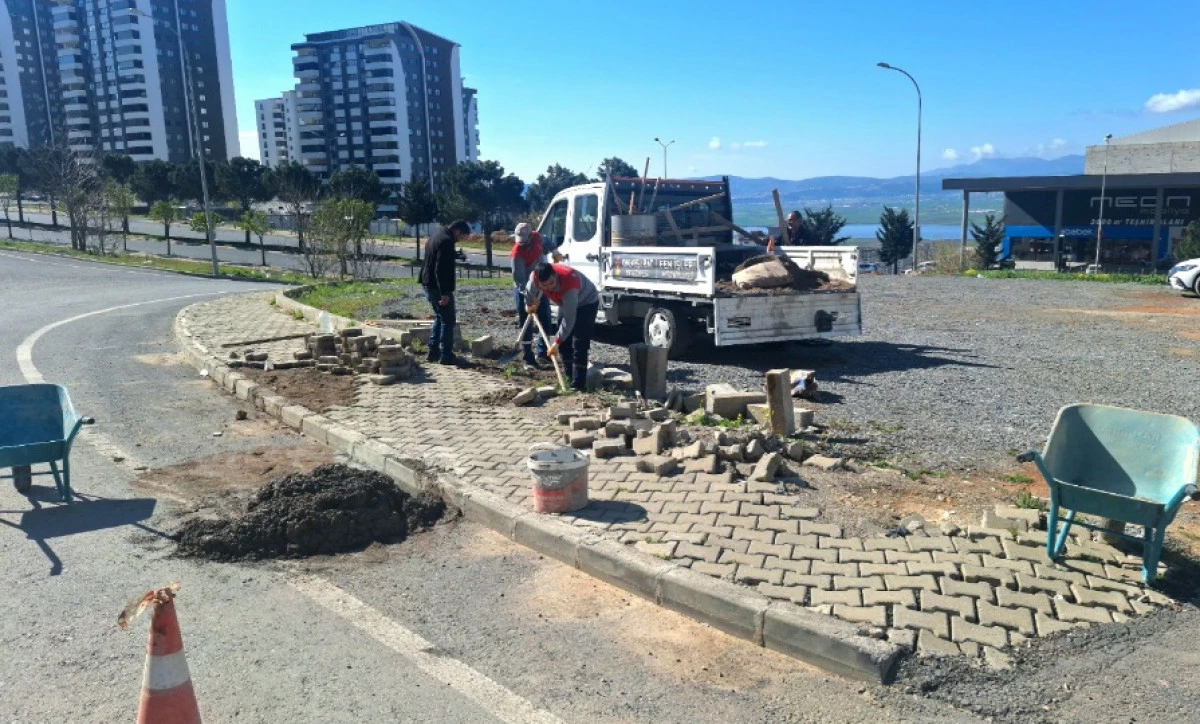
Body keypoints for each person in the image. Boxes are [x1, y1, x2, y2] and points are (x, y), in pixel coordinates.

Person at [525, 261, 599, 391]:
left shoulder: (569, 282)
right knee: (564, 344)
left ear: (555, 275)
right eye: (544, 285)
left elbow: (569, 320)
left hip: (586, 301)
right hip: (564, 302)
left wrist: (556, 342)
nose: (549, 288)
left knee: (579, 342)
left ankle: (579, 385)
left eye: (551, 283)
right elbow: (529, 291)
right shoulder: (534, 277)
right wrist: (529, 304)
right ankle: (568, 377)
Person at [418, 219, 470, 364]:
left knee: (440, 317)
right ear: (458, 231)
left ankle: (433, 352)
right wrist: (445, 293)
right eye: (462, 236)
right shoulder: (447, 241)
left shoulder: (436, 237)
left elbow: (435, 260)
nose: (460, 240)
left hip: (427, 282)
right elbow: (440, 270)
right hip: (438, 287)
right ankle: (446, 355)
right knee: (448, 320)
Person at [510, 222, 552, 370]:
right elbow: (520, 281)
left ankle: (543, 354)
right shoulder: (517, 253)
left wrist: (556, 250)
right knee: (526, 323)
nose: (521, 243)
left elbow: (549, 241)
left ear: (530, 236)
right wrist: (529, 300)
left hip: (542, 287)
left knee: (546, 320)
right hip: (524, 289)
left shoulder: (538, 238)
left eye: (524, 239)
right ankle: (528, 357)